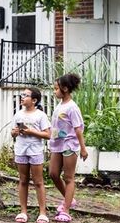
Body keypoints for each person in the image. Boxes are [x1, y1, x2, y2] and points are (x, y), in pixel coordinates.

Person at [48, 73, 88, 222]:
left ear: (65, 88)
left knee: (69, 177)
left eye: (56, 88)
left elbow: (78, 129)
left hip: (70, 145)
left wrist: (83, 149)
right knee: (53, 174)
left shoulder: (72, 107)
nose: (54, 91)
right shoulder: (60, 105)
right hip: (57, 144)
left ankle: (65, 210)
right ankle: (68, 199)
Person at [12, 87, 51, 223]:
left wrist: (31, 132)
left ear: (34, 100)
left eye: (26, 95)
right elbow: (12, 132)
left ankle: (42, 213)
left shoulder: (41, 115)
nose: (22, 97)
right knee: (23, 180)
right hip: (21, 150)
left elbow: (48, 135)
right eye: (22, 94)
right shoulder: (18, 114)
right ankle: (23, 211)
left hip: (35, 151)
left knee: (38, 181)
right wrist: (16, 132)